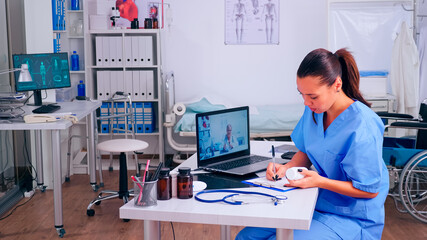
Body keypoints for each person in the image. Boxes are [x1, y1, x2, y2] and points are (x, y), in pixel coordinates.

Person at [235, 48, 389, 239]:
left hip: (352, 216)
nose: (306, 102)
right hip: (315, 202)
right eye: (302, 94)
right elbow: (308, 149)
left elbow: (369, 191)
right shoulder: (315, 111)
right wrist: (287, 167)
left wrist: (319, 181)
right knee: (245, 237)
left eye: (313, 96)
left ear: (337, 85)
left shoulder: (363, 125)